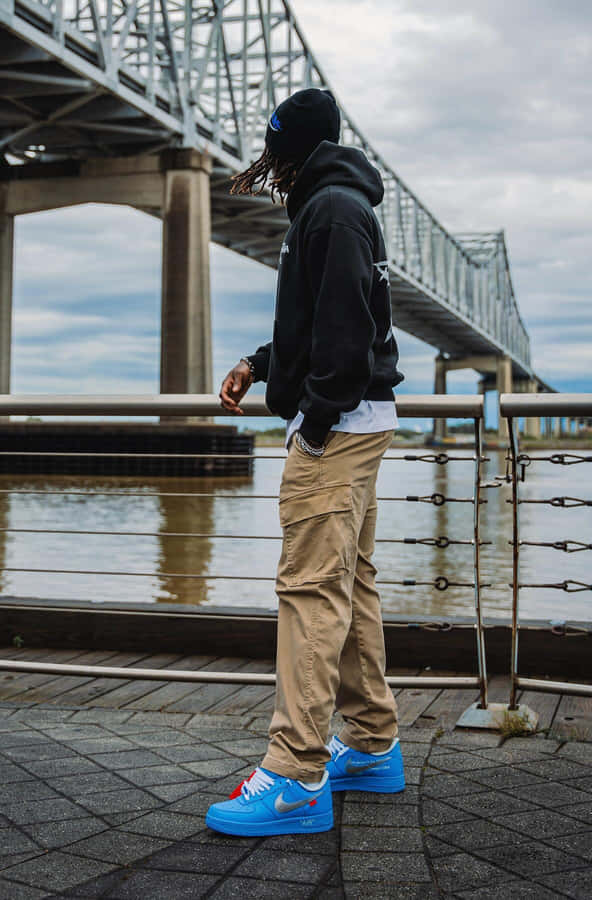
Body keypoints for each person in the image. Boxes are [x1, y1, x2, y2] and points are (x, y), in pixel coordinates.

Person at [206, 88, 406, 837]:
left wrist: (314, 424)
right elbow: (323, 316)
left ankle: (294, 776)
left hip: (339, 428)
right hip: (355, 420)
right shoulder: (333, 206)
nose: (270, 168)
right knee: (348, 584)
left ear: (293, 149)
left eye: (273, 151)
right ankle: (374, 742)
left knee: (308, 594)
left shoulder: (332, 210)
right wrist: (260, 364)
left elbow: (348, 335)